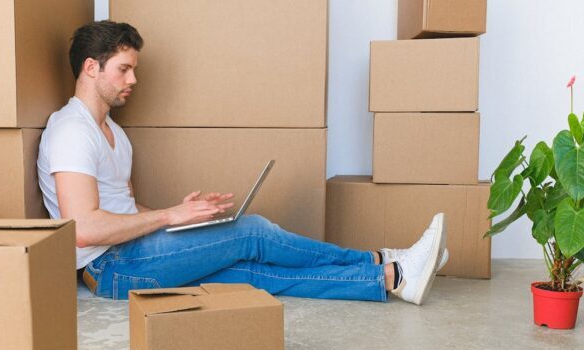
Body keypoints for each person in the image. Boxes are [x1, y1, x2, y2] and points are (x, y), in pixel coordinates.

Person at [37, 20, 448, 305]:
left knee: (252, 275)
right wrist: (167, 216)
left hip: (133, 254)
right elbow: (84, 230)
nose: (133, 80)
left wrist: (186, 218)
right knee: (252, 233)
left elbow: (121, 210)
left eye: (134, 70)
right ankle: (377, 258)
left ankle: (393, 277)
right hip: (111, 269)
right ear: (91, 68)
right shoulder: (72, 130)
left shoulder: (113, 133)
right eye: (124, 69)